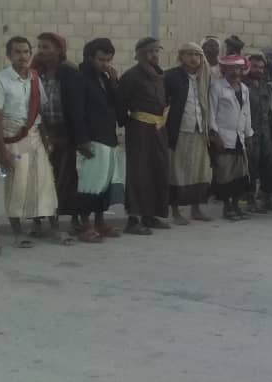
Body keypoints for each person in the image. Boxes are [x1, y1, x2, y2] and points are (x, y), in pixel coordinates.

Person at [0, 36, 58, 250]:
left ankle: (53, 229)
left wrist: (46, 139)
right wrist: (2, 151)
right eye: (17, 52)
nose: (22, 56)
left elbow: (39, 110)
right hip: (11, 139)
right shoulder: (0, 80)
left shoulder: (34, 77)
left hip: (34, 136)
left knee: (45, 182)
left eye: (26, 52)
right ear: (9, 55)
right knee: (17, 186)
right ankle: (17, 234)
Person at [63, 38, 122, 243]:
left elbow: (116, 106)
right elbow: (76, 112)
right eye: (101, 59)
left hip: (108, 137)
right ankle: (84, 225)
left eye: (108, 60)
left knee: (104, 183)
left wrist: (114, 82)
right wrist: (82, 140)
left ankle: (100, 222)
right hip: (91, 139)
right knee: (89, 183)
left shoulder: (104, 78)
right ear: (89, 57)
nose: (105, 64)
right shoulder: (79, 78)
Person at [118, 37, 171, 235]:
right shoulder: (131, 76)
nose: (154, 55)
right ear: (139, 54)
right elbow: (120, 104)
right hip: (140, 130)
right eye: (150, 51)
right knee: (138, 173)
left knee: (158, 169)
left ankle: (150, 215)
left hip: (158, 129)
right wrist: (130, 124)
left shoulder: (160, 75)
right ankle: (133, 219)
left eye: (156, 51)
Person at [34, 31, 80, 238]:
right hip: (40, 132)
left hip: (64, 132)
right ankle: (37, 221)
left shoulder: (69, 72)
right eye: (39, 47)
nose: (41, 51)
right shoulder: (35, 72)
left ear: (59, 50)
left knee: (66, 176)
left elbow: (76, 105)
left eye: (46, 47)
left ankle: (70, 217)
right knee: (39, 177)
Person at [164, 42, 213, 224]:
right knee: (177, 171)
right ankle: (176, 211)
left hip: (199, 130)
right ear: (181, 56)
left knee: (199, 171)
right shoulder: (171, 76)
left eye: (197, 55)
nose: (194, 58)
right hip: (179, 130)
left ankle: (196, 209)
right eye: (189, 54)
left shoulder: (204, 77)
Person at [209, 54, 253, 221]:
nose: (235, 72)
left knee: (240, 174)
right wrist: (215, 135)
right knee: (225, 174)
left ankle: (236, 205)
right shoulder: (217, 87)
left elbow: (247, 113)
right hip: (224, 137)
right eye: (231, 69)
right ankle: (227, 207)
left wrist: (248, 134)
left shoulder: (244, 89)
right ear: (224, 70)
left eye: (238, 69)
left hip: (239, 137)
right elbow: (211, 113)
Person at [245, 53, 272, 211]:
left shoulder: (266, 85)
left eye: (261, 67)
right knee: (251, 166)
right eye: (255, 66)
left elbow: (270, 110)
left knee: (269, 164)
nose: (258, 70)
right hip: (250, 131)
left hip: (265, 131)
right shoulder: (243, 85)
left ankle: (267, 197)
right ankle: (250, 200)